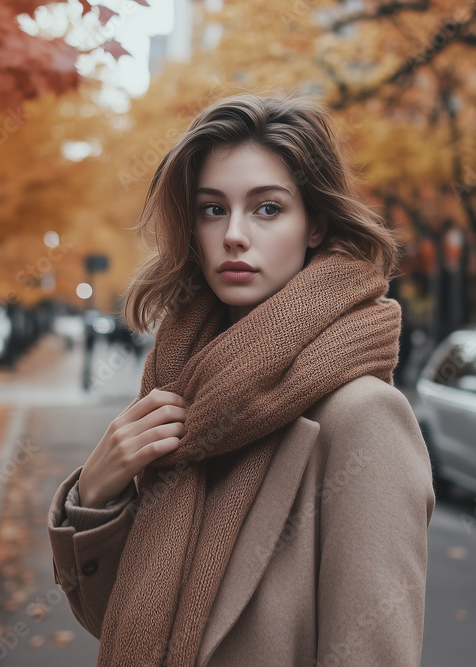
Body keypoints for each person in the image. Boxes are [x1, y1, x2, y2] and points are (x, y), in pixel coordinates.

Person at [47, 93, 436, 666]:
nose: (233, 234)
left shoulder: (362, 419)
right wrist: (98, 498)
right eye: (212, 209)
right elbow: (125, 626)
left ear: (315, 225)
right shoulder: (181, 393)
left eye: (268, 208)